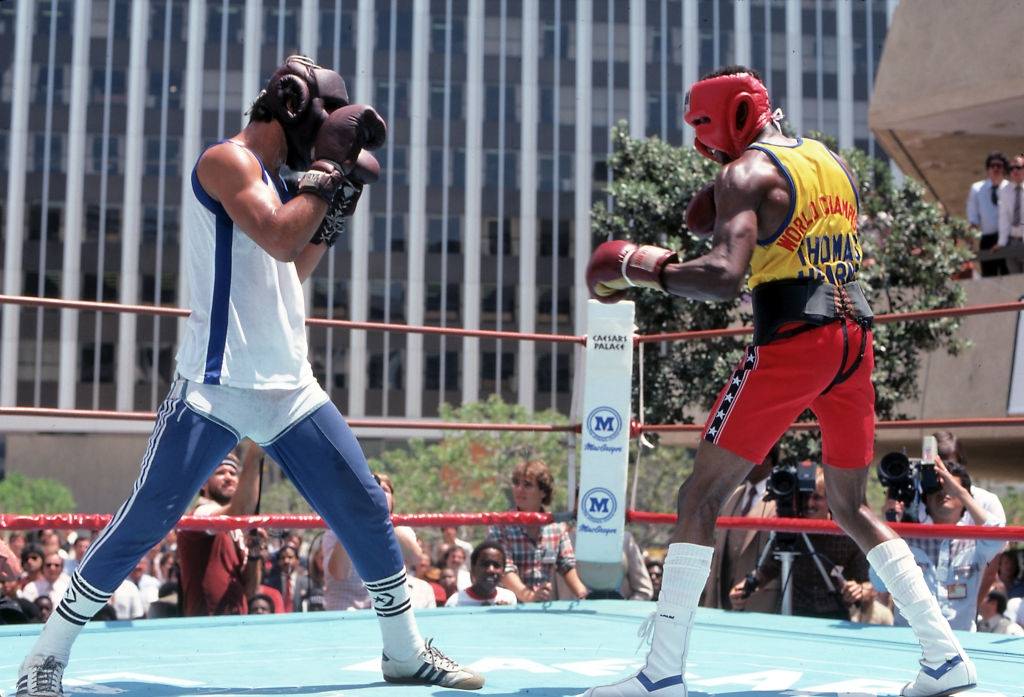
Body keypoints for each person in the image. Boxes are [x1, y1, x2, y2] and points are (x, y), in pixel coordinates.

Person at [17, 55, 482, 695]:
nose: (327, 140)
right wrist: (327, 173)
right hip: (216, 383)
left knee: (366, 508)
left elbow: (291, 269)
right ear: (293, 105)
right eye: (326, 124)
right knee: (147, 517)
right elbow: (280, 238)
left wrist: (337, 199)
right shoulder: (227, 160)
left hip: (288, 385)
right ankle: (46, 657)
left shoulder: (279, 182)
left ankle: (403, 652)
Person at [583, 66, 978, 697]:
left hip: (798, 341)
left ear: (737, 114)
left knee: (700, 498)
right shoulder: (830, 162)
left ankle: (661, 673)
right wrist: (724, 209)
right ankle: (944, 656)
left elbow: (721, 278)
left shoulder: (746, 173)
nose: (703, 146)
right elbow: (804, 231)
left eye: (704, 128)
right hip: (855, 340)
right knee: (850, 506)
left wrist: (639, 267)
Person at [730, 466, 886, 623]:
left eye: (817, 497)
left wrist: (859, 591)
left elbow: (868, 585)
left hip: (835, 619)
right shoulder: (790, 531)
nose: (809, 503)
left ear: (830, 500)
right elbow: (767, 570)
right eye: (804, 496)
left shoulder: (847, 536)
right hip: (795, 616)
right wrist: (745, 588)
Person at [872, 459, 1004, 632]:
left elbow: (997, 534)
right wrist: (889, 526)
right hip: (910, 639)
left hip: (961, 641)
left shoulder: (975, 541)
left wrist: (961, 492)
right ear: (926, 499)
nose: (944, 492)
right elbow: (878, 582)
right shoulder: (906, 538)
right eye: (937, 487)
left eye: (950, 488)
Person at [177, 447, 264, 616]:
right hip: (208, 627)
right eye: (220, 472)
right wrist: (254, 454)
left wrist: (255, 553)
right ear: (203, 482)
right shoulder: (200, 512)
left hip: (236, 625)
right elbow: (240, 510)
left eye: (233, 473)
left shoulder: (236, 528)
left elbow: (252, 590)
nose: (228, 478)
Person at [486, 460, 588, 603]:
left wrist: (583, 594)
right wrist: (530, 597)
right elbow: (505, 570)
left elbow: (567, 566)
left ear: (543, 492)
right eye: (516, 483)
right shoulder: (501, 525)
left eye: (527, 485)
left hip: (541, 608)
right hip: (505, 606)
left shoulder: (556, 527)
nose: (519, 489)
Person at [702, 449, 779, 612]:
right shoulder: (733, 495)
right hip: (723, 600)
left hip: (760, 602)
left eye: (747, 454)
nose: (740, 460)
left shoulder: (780, 498)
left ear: (767, 458)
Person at [966, 152, 1009, 277]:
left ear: (1004, 168)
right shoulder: (977, 189)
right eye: (992, 165)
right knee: (990, 278)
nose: (995, 169)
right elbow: (973, 216)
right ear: (987, 168)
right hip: (987, 240)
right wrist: (970, 240)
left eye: (999, 166)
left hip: (1007, 239)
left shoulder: (1010, 189)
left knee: (1010, 276)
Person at [445, 543, 518, 607]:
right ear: (473, 569)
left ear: (503, 571)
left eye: (496, 565)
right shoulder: (455, 603)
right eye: (485, 564)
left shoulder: (509, 598)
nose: (491, 570)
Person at [997, 153, 1024, 274]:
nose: (1014, 171)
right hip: (1011, 243)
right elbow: (1004, 219)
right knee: (1015, 284)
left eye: (1018, 167)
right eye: (1011, 168)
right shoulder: (1005, 190)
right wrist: (1002, 242)